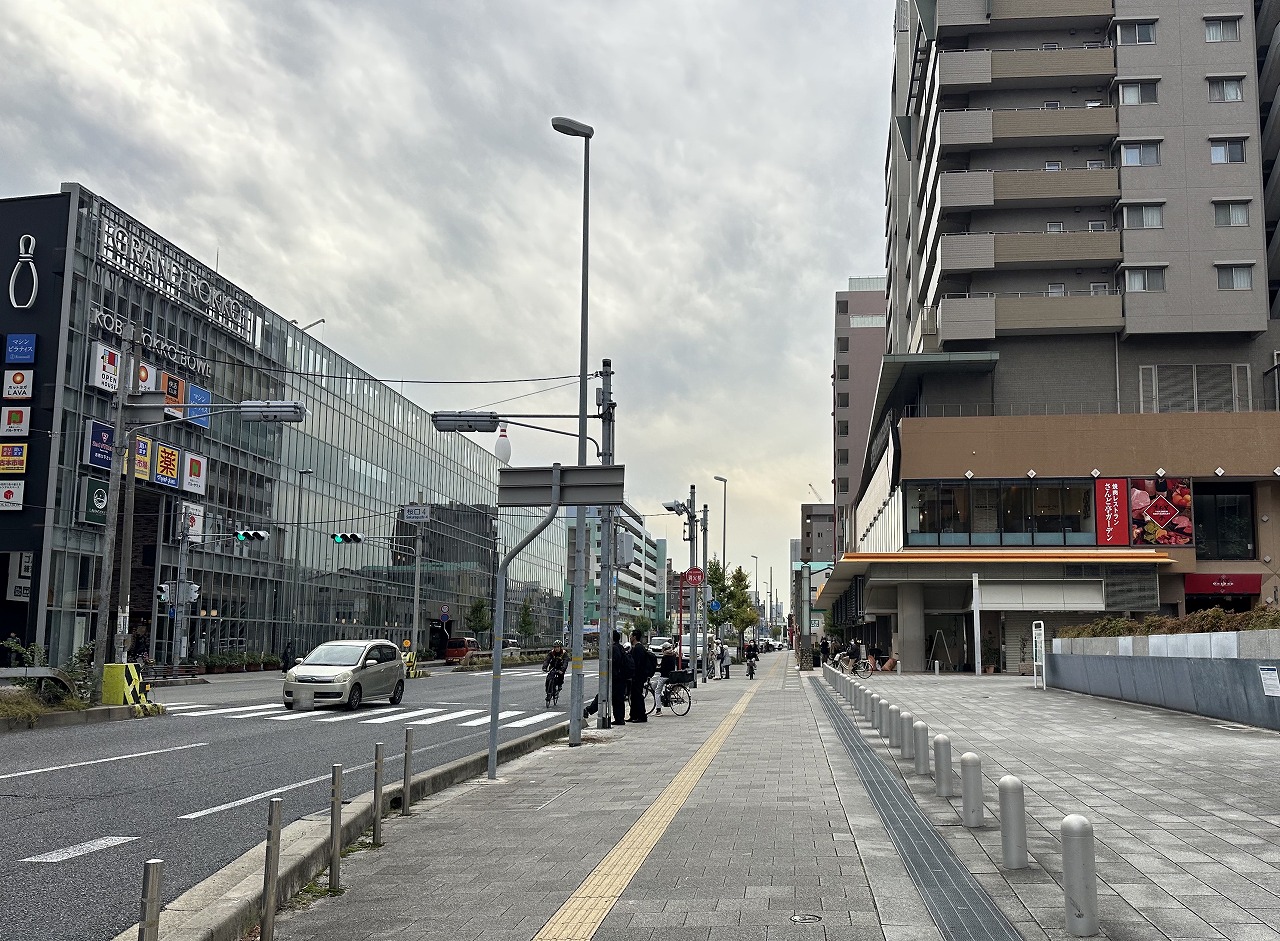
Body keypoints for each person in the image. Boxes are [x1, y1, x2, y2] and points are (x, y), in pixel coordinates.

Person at [628, 631, 654, 723]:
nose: (630, 638)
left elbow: (637, 664)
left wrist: (633, 674)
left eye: (631, 636)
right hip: (637, 676)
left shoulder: (638, 648)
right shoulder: (638, 647)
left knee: (638, 696)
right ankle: (633, 715)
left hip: (638, 676)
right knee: (634, 696)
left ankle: (641, 716)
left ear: (634, 637)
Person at [542, 640, 569, 707]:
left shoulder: (564, 653)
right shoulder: (551, 653)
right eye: (555, 647)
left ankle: (559, 685)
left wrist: (562, 669)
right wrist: (544, 667)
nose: (556, 648)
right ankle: (548, 693)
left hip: (560, 668)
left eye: (558, 647)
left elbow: (565, 662)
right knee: (548, 679)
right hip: (553, 668)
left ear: (560, 647)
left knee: (560, 677)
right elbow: (547, 660)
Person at [653, 643, 677, 714]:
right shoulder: (673, 655)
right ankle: (664, 697)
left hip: (664, 677)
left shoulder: (665, 657)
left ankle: (658, 710)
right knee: (654, 685)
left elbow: (662, 669)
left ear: (664, 649)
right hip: (671, 676)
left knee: (657, 692)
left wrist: (655, 669)